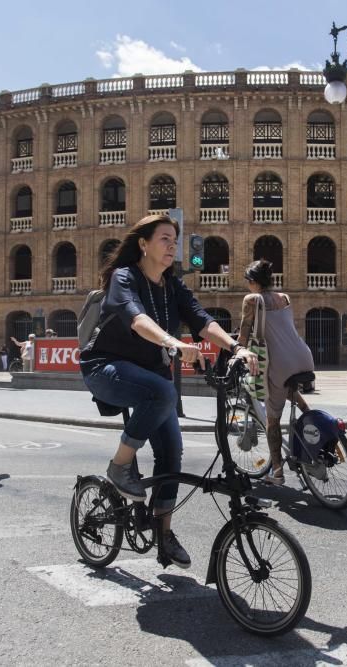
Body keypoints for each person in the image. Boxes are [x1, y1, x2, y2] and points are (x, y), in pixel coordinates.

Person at [79, 214, 258, 568]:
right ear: (143, 244)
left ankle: (163, 532)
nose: (172, 245)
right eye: (164, 238)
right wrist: (172, 341)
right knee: (164, 392)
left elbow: (202, 319)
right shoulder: (124, 277)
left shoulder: (173, 286)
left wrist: (235, 347)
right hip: (105, 369)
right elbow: (135, 317)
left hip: (150, 378)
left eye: (174, 240)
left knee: (172, 453)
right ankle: (120, 466)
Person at [237, 259, 316, 486]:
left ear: (253, 282)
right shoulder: (285, 297)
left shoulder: (251, 300)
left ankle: (278, 473)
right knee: (286, 388)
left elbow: (242, 337)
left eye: (247, 282)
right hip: (303, 356)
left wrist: (235, 353)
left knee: (273, 422)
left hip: (279, 362)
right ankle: (309, 416)